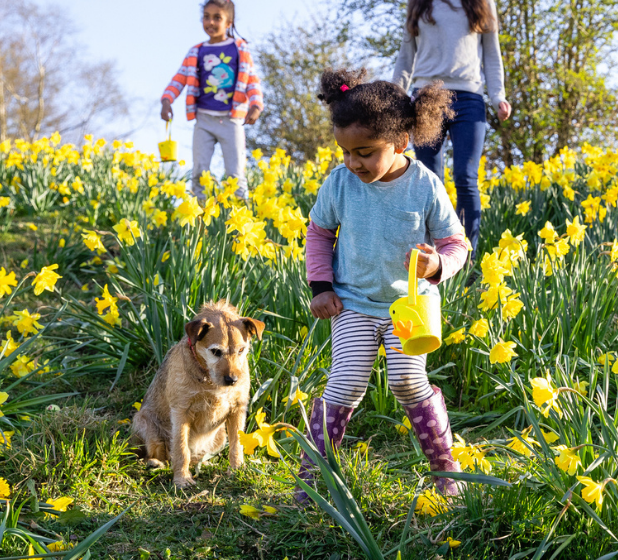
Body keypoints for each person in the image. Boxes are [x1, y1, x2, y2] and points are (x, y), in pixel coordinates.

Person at [295, 68, 470, 504]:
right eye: (346, 152)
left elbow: (456, 243)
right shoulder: (339, 183)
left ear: (400, 143)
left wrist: (438, 266)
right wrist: (321, 286)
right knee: (345, 383)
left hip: (411, 307)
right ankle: (313, 478)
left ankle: (445, 472)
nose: (354, 163)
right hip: (353, 303)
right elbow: (318, 233)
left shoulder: (425, 185)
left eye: (365, 153)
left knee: (408, 382)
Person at [392, 0, 512, 256]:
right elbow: (405, 57)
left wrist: (498, 96)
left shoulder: (482, 4)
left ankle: (464, 257)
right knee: (429, 181)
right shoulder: (418, 4)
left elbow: (492, 53)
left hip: (469, 98)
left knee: (466, 178)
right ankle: (432, 258)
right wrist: (393, 96)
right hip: (425, 97)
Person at [160, 0, 263, 201]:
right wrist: (166, 100)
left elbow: (251, 79)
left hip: (232, 120)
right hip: (204, 120)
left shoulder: (239, 48)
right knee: (199, 171)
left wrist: (256, 105)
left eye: (217, 17)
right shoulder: (196, 51)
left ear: (229, 22)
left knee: (235, 174)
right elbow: (179, 78)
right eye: (206, 16)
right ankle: (199, 218)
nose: (211, 22)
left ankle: (242, 219)